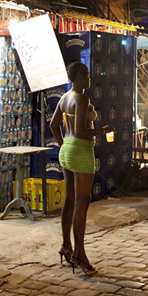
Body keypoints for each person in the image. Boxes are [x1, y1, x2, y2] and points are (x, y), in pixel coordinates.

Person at [50, 62, 115, 277]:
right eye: (85, 75)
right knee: (81, 203)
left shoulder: (64, 98)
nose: (89, 78)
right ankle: (80, 254)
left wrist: (63, 144)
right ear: (77, 78)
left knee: (69, 200)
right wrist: (103, 130)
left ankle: (66, 245)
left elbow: (53, 125)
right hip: (80, 152)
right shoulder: (81, 98)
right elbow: (80, 131)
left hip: (67, 151)